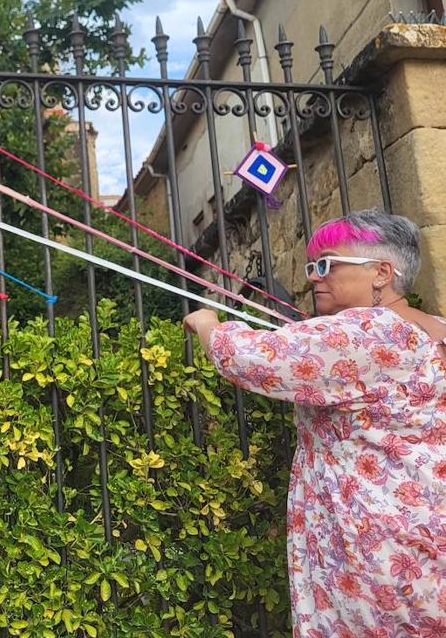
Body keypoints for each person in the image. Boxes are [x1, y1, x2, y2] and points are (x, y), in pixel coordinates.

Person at [184, 209, 446, 635]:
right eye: (312, 266)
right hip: (425, 535)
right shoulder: (433, 328)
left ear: (381, 272)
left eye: (326, 265)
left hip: (375, 549)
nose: (312, 277)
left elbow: (256, 359)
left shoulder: (368, 331)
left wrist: (207, 323)